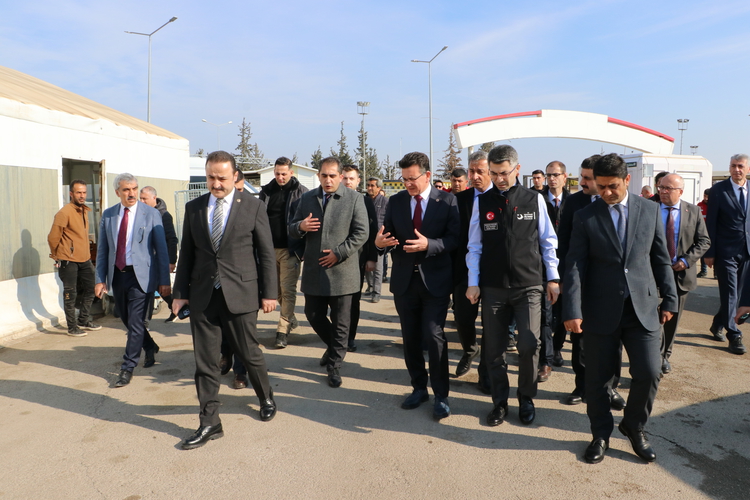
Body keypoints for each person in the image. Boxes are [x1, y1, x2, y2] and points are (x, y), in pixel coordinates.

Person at [563, 153, 678, 464]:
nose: (606, 192)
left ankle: (633, 425)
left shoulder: (649, 209)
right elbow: (574, 265)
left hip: (642, 307)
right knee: (598, 378)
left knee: (650, 371)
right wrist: (572, 308)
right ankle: (600, 434)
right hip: (600, 309)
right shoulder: (585, 216)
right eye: (600, 186)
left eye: (612, 186)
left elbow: (660, 258)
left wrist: (670, 298)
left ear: (627, 180)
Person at [172, 151, 279, 450]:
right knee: (206, 362)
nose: (216, 183)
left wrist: (269, 293)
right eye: (211, 177)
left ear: (235, 176)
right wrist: (180, 294)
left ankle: (265, 396)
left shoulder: (254, 207)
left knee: (249, 352)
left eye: (222, 178)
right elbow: (187, 253)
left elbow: (266, 254)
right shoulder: (194, 208)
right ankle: (210, 422)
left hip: (241, 294)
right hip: (203, 296)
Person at [466, 145, 560, 427]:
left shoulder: (534, 199)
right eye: (494, 173)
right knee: (494, 350)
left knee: (529, 344)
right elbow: (474, 245)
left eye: (504, 173)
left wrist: (553, 278)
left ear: (517, 169)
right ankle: (499, 402)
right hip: (493, 288)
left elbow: (548, 241)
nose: (499, 179)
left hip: (528, 286)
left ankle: (526, 397)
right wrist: (473, 282)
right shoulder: (483, 202)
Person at [375, 152, 459, 420]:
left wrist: (429, 245)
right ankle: (419, 388)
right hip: (404, 281)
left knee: (434, 336)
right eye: (404, 179)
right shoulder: (397, 201)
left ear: (427, 175)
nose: (408, 184)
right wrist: (379, 243)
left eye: (412, 179)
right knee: (410, 337)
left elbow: (455, 239)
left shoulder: (447, 201)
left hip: (435, 282)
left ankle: (441, 395)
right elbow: (386, 234)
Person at [289, 157, 368, 388]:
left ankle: (334, 366)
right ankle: (334, 348)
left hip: (343, 271)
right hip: (314, 270)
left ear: (341, 177)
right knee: (313, 314)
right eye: (324, 175)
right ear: (318, 176)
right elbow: (291, 228)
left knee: (341, 322)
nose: (328, 180)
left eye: (332, 176)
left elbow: (361, 233)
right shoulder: (307, 199)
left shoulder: (354, 199)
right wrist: (300, 227)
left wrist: (339, 253)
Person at [95, 173, 171, 387]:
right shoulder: (109, 215)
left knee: (136, 322)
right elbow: (103, 250)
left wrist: (164, 280)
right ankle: (150, 346)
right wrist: (100, 279)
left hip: (142, 277)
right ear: (117, 192)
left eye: (134, 189)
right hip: (118, 275)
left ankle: (127, 367)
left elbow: (161, 249)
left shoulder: (150, 214)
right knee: (127, 320)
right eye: (126, 190)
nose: (131, 193)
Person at [656, 174, 710, 374]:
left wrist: (687, 260)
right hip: (654, 274)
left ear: (680, 191)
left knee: (672, 319)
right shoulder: (650, 209)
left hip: (680, 276)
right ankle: (654, 355)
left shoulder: (693, 211)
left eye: (668, 188)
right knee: (653, 318)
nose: (663, 191)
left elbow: (704, 241)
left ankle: (664, 355)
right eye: (661, 187)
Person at [258, 156, 309, 348]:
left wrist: (303, 248)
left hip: (290, 250)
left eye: (284, 174)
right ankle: (291, 318)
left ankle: (282, 330)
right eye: (277, 174)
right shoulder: (266, 192)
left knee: (288, 290)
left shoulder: (302, 193)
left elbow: (308, 222)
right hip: (268, 251)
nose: (280, 177)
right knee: (276, 290)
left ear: (291, 173)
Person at [452, 151, 492, 379]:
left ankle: (486, 365)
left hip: (493, 272)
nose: (475, 176)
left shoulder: (500, 198)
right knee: (463, 318)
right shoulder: (458, 200)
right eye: (472, 171)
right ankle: (469, 350)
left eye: (480, 171)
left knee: (491, 322)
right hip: (463, 271)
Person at [705, 154, 750, 355]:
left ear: (747, 169)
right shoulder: (718, 190)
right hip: (726, 253)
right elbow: (711, 223)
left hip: (747, 252)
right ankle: (734, 334)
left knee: (736, 295)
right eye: (733, 166)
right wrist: (710, 252)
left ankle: (718, 323)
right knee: (730, 292)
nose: (736, 169)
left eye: (740, 166)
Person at [47, 179, 100, 337]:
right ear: (71, 194)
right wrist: (56, 256)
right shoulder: (64, 213)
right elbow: (53, 237)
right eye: (78, 192)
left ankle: (83, 319)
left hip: (84, 259)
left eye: (84, 192)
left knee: (92, 288)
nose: (82, 195)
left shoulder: (84, 210)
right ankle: (72, 327)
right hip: (68, 259)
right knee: (70, 294)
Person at [537, 160, 570, 382]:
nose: (551, 179)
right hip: (543, 267)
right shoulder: (537, 200)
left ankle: (557, 348)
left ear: (564, 177)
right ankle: (545, 360)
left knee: (563, 313)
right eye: (548, 175)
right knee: (546, 315)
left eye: (555, 175)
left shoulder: (573, 202)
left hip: (567, 266)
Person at [341, 165, 378, 352]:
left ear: (358, 181)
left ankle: (350, 337)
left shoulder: (365, 202)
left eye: (351, 178)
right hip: (334, 259)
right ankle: (338, 335)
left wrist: (372, 257)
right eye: (345, 178)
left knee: (353, 301)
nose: (348, 182)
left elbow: (372, 231)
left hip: (358, 259)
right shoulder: (333, 199)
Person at [139, 186, 178, 322]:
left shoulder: (164, 215)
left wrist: (171, 261)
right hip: (146, 260)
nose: (142, 201)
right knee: (155, 287)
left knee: (153, 288)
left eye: (145, 199)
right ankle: (176, 308)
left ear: (154, 198)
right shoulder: (141, 214)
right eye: (140, 198)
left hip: (159, 259)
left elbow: (172, 239)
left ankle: (145, 322)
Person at [365, 177, 389, 303]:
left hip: (379, 239)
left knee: (378, 267)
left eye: (372, 185)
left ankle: (376, 292)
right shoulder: (363, 200)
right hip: (365, 237)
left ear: (379, 188)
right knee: (366, 265)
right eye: (368, 185)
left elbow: (389, 220)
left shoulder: (385, 202)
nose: (369, 188)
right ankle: (370, 286)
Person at [697, 188, 709, 278]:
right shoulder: (699, 206)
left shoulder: (715, 205)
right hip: (702, 232)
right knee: (703, 252)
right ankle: (703, 271)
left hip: (712, 231)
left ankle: (716, 273)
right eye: (704, 196)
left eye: (707, 197)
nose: (706, 198)